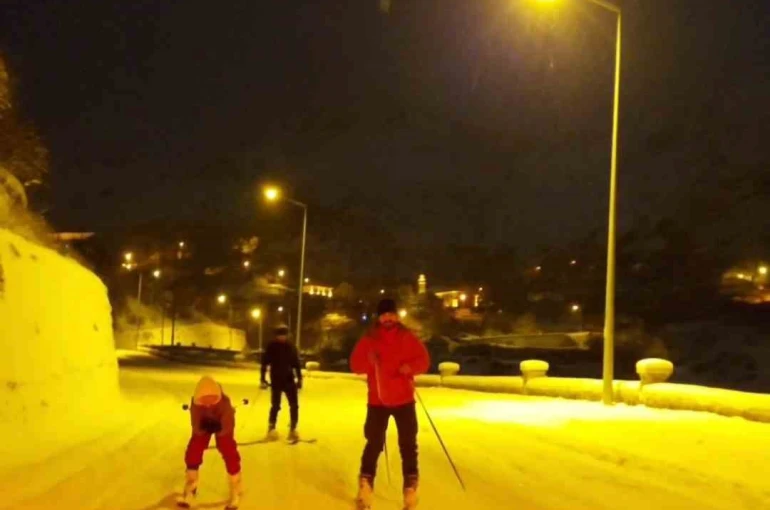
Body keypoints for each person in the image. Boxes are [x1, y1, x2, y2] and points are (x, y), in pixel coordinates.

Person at [350, 298, 430, 510]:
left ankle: (410, 489)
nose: (388, 318)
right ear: (379, 318)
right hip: (378, 400)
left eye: (391, 314)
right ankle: (365, 486)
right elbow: (355, 365)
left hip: (404, 399)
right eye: (384, 315)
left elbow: (423, 361)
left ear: (396, 316)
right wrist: (368, 361)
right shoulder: (369, 339)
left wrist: (410, 367)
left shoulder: (407, 337)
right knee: (374, 444)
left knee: (408, 445)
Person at [181, 375, 242, 509]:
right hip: (204, 426)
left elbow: (228, 425)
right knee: (194, 449)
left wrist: (220, 428)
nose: (208, 404)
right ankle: (191, 485)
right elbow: (196, 425)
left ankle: (235, 487)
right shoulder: (196, 405)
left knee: (228, 449)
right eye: (204, 400)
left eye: (211, 400)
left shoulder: (224, 404)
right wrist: (202, 428)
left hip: (222, 427)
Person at [260, 324, 303, 441]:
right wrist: (262, 379)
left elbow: (296, 364)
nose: (282, 337)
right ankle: (271, 427)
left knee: (294, 405)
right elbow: (264, 363)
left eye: (284, 335)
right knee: (276, 405)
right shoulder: (271, 346)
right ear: (276, 336)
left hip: (289, 379)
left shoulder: (291, 346)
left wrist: (299, 379)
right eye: (280, 335)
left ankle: (293, 428)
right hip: (276, 380)